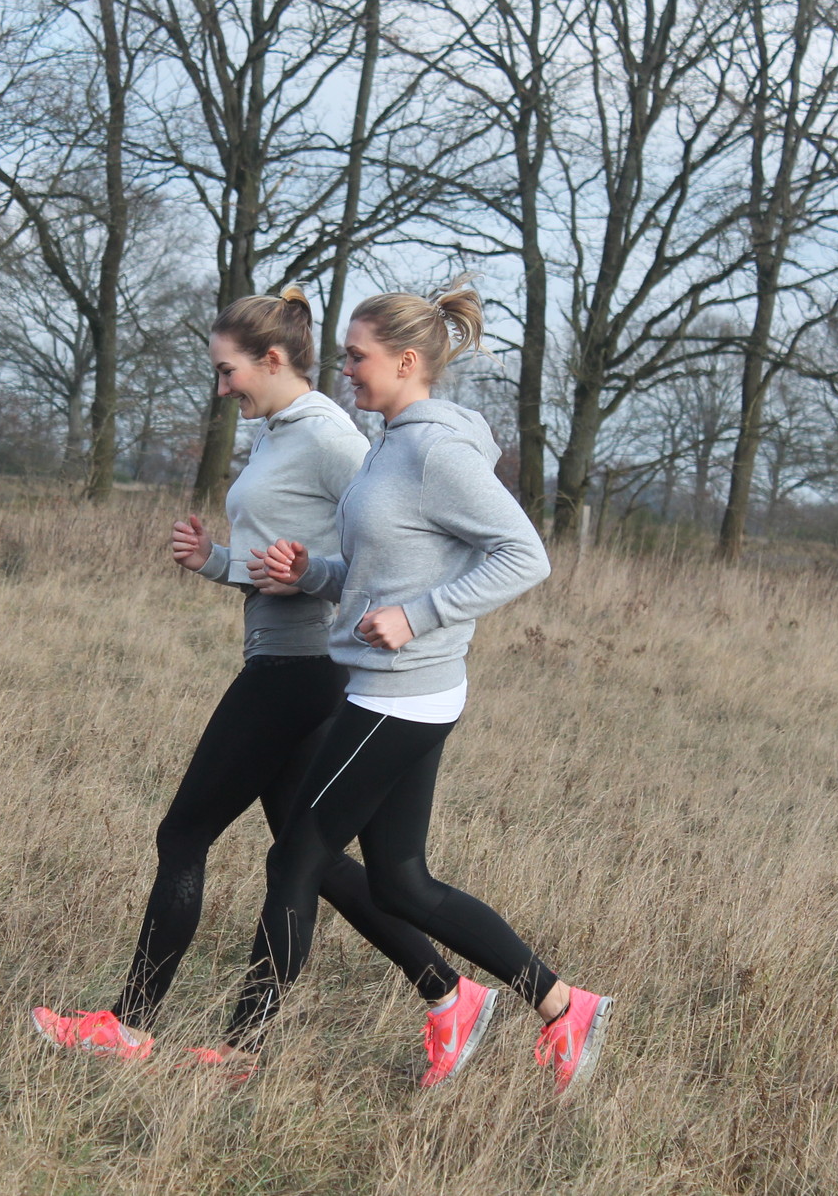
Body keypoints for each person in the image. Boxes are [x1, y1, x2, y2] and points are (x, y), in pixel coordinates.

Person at [32, 286, 500, 1088]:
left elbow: (396, 539)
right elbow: (288, 561)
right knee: (308, 859)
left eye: (228, 371)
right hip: (285, 657)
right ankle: (445, 993)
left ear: (273, 360)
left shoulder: (330, 438)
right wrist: (216, 560)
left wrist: (409, 613)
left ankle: (129, 1022)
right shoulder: (279, 433)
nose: (222, 389)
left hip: (303, 668)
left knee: (184, 835)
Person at [197, 281, 613, 1098]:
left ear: (407, 361)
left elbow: (524, 554)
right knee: (400, 881)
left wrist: (422, 616)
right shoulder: (389, 441)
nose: (343, 369)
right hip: (387, 687)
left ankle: (243, 1048)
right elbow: (383, 566)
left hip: (402, 693)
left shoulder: (436, 451)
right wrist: (312, 572)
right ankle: (562, 1004)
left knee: (297, 858)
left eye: (357, 356)